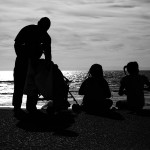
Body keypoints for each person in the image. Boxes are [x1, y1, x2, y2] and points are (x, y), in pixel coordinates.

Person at [13, 17, 52, 115]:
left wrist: (48, 65)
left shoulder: (46, 38)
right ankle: (17, 106)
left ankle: (30, 106)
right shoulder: (28, 29)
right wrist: (22, 55)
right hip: (22, 61)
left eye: (46, 27)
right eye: (44, 26)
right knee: (19, 83)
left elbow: (48, 54)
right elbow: (17, 43)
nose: (44, 29)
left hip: (35, 63)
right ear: (38, 23)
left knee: (34, 85)